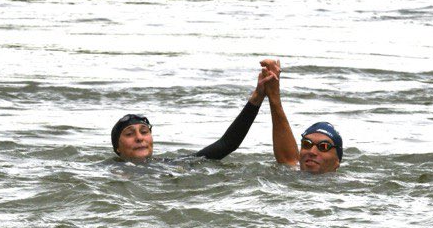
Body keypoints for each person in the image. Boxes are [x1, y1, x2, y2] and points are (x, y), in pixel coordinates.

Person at [110, 69, 269, 163]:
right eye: (130, 134)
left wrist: (257, 97)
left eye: (144, 132)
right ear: (117, 148)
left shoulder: (170, 165)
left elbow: (227, 144)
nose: (139, 138)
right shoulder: (107, 171)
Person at [258, 59, 344, 174]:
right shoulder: (292, 175)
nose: (312, 151)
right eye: (306, 144)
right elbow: (288, 160)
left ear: (336, 162)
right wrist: (273, 95)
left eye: (323, 146)